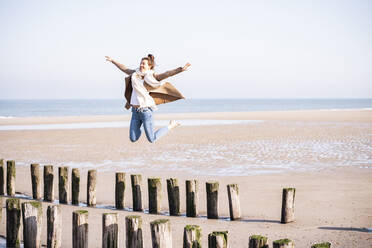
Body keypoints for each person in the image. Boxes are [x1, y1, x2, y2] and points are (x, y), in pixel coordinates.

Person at [105, 54, 191, 143]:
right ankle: (143, 125)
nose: (141, 65)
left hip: (146, 111)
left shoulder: (152, 77)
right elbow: (124, 68)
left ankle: (171, 125)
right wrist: (112, 60)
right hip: (135, 111)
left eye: (144, 64)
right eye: (141, 63)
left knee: (152, 139)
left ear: (149, 66)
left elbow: (167, 73)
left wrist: (180, 70)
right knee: (133, 138)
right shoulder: (135, 74)